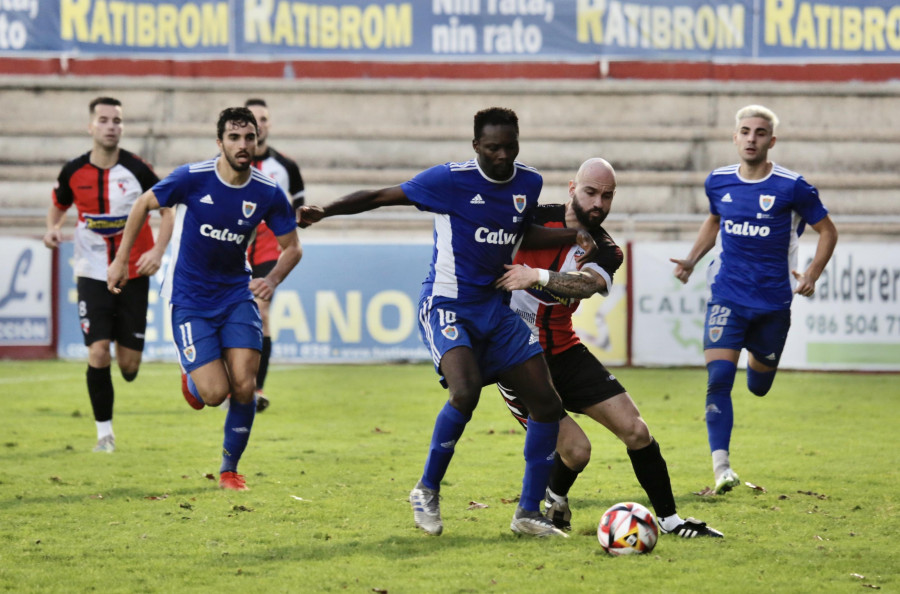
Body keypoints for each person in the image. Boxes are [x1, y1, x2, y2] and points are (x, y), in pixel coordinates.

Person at [299, 107, 597, 537]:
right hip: (448, 305)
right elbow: (382, 196)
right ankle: (426, 489)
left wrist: (574, 233)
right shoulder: (449, 180)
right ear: (476, 145)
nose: (502, 156)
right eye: (493, 147)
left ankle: (528, 514)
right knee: (466, 390)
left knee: (547, 404)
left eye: (510, 147)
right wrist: (324, 211)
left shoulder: (527, 182)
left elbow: (520, 233)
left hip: (496, 310)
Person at [494, 158, 723, 538]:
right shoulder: (531, 219)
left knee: (636, 429)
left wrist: (537, 276)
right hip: (518, 358)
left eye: (607, 195)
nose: (599, 202)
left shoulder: (607, 251)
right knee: (577, 451)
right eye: (591, 192)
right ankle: (544, 502)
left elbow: (584, 285)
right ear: (572, 188)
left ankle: (670, 521)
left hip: (565, 350)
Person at [107, 107, 302, 490]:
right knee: (214, 394)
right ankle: (192, 377)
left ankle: (230, 470)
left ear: (257, 141)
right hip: (190, 298)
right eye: (234, 138)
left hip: (235, 295)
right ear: (220, 142)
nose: (243, 145)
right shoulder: (192, 178)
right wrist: (120, 260)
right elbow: (142, 204)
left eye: (249, 138)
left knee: (244, 385)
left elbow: (292, 247)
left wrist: (273, 278)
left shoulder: (266, 190)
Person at [671, 105, 838, 494]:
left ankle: (758, 363)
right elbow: (715, 219)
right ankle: (721, 468)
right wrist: (692, 261)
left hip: (773, 304)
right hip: (727, 296)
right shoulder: (719, 182)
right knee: (718, 380)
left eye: (759, 133)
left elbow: (827, 231)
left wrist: (811, 273)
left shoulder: (792, 187)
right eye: (744, 131)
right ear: (735, 137)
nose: (751, 138)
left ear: (771, 141)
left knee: (758, 387)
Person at [44, 96, 173, 453]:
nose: (111, 126)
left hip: (134, 269)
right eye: (103, 120)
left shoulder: (138, 170)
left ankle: (125, 347)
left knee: (128, 366)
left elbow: (169, 211)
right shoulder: (73, 171)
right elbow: (57, 205)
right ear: (91, 126)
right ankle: (105, 435)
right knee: (98, 351)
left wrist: (157, 251)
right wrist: (53, 229)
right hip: (90, 270)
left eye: (117, 120)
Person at [243, 98, 306, 413]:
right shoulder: (223, 164)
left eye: (263, 118)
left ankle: (256, 388)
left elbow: (297, 212)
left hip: (269, 249)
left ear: (269, 124)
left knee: (262, 311)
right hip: (231, 248)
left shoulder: (286, 167)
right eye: (253, 119)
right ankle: (233, 382)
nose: (259, 124)